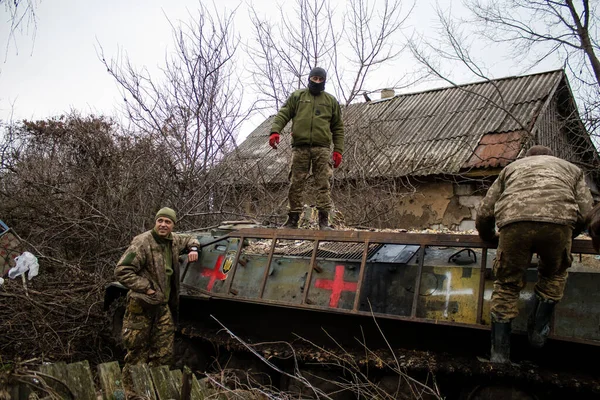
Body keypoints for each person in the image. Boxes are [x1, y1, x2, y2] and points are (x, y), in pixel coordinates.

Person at [476, 145, 593, 363]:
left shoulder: (511, 169)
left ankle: (499, 356)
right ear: (551, 157)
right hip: (559, 224)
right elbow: (587, 212)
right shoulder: (571, 170)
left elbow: (485, 212)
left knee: (507, 285)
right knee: (554, 274)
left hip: (513, 224)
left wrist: (489, 236)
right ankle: (538, 334)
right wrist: (569, 234)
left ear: (528, 158)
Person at [115, 207, 199, 382]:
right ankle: (134, 392)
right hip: (143, 305)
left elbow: (191, 239)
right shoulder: (142, 242)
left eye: (167, 222)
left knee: (163, 353)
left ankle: (155, 389)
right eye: (160, 221)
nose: (163, 225)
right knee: (137, 352)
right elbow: (122, 270)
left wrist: (194, 249)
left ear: (173, 225)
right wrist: (146, 287)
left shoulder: (174, 241)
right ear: (155, 222)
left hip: (162, 307)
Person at [269, 66, 344, 230]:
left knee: (323, 183)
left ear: (324, 81)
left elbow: (338, 127)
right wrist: (275, 131)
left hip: (322, 148)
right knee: (296, 183)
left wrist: (338, 150)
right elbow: (284, 113)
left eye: (320, 79)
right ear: (309, 79)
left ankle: (324, 221)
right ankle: (292, 220)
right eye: (314, 79)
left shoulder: (330, 101)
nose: (316, 82)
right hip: (300, 147)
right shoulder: (298, 96)